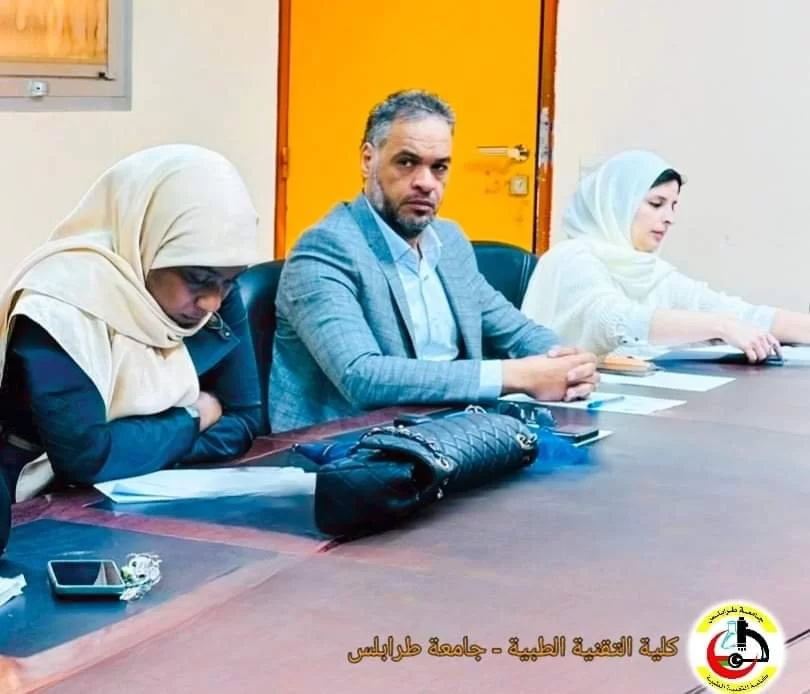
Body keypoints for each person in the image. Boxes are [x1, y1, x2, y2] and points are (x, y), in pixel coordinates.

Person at [270, 89, 599, 433]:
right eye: (406, 162)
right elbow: (362, 375)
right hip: (346, 444)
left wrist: (568, 365)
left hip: (451, 430)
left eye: (439, 167)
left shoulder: (449, 240)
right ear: (368, 159)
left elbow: (514, 330)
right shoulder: (326, 248)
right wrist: (515, 375)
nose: (426, 183)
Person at [0, 144, 263, 504]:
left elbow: (245, 419)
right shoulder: (58, 305)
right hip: (42, 505)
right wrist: (195, 415)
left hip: (149, 495)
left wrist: (138, 448)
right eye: (198, 278)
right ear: (146, 243)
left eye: (230, 281)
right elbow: (87, 458)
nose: (212, 303)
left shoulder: (215, 294)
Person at [521, 150, 810, 360]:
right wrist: (722, 326)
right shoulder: (572, 258)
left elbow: (733, 311)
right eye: (656, 203)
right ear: (616, 203)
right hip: (562, 413)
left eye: (673, 206)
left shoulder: (647, 269)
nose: (669, 218)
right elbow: (613, 320)